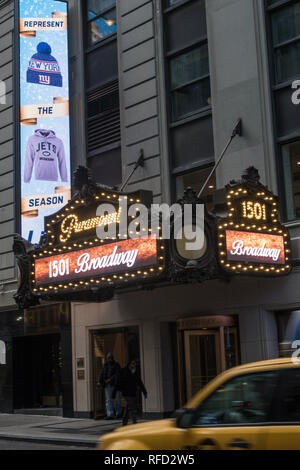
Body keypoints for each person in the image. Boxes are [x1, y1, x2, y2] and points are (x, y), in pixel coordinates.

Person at [117, 359, 147, 426]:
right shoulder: (124, 371)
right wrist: (120, 390)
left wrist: (144, 391)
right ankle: (134, 422)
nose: (134, 365)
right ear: (129, 364)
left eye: (135, 363)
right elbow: (119, 381)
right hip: (126, 393)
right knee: (132, 407)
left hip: (133, 392)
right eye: (133, 363)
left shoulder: (135, 371)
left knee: (128, 407)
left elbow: (139, 382)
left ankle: (124, 422)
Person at [98, 352, 122, 420]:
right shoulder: (105, 365)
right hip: (108, 385)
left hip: (115, 385)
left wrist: (110, 380)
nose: (109, 359)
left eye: (110, 358)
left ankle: (118, 413)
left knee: (117, 399)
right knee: (109, 400)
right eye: (108, 358)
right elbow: (101, 373)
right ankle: (110, 414)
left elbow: (117, 374)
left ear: (112, 358)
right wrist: (100, 381)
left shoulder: (116, 365)